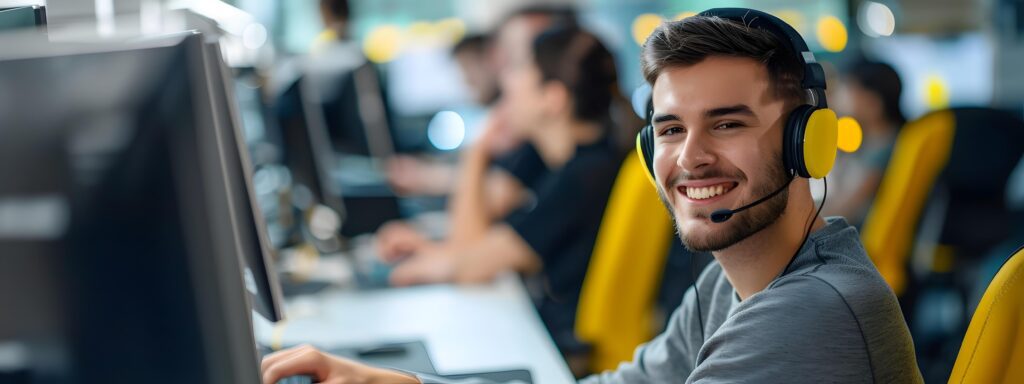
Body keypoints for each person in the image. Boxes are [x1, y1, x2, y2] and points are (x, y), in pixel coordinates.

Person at [261, 9, 922, 384]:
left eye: (728, 123)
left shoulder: (807, 314)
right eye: (670, 129)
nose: (689, 156)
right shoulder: (736, 285)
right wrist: (387, 382)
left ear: (808, 143)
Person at [826, 60, 905, 226]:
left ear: (873, 103)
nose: (841, 97)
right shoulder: (888, 140)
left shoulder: (881, 150)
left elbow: (841, 211)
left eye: (849, 89)